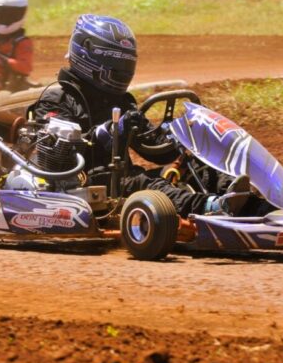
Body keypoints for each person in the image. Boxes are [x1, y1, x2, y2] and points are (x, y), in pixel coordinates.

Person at [28, 14, 250, 217]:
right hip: (85, 183)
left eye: (126, 66)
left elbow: (155, 150)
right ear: (89, 56)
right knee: (147, 185)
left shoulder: (120, 102)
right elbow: (59, 158)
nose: (123, 73)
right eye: (117, 66)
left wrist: (181, 136)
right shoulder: (57, 99)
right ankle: (209, 208)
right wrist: (112, 131)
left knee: (199, 169)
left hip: (122, 179)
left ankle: (251, 202)